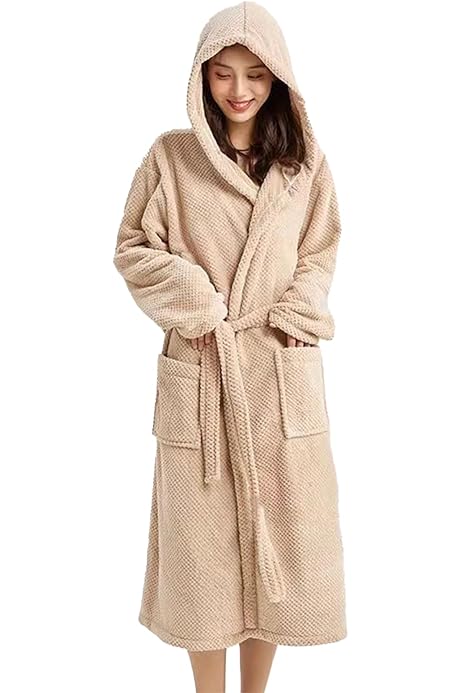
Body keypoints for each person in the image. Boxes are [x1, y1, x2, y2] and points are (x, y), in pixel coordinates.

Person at [113, 2, 347, 691]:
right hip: (205, 373)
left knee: (284, 543)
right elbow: (132, 248)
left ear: (278, 79)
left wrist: (299, 309)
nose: (239, 90)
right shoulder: (171, 157)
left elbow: (320, 250)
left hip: (277, 372)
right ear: (202, 76)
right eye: (222, 74)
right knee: (204, 559)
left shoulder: (304, 165)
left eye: (255, 75)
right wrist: (191, 294)